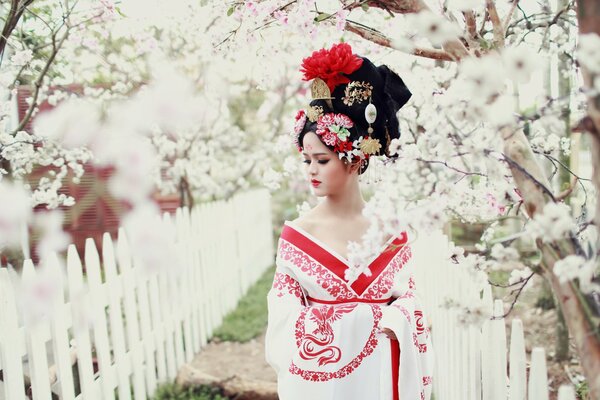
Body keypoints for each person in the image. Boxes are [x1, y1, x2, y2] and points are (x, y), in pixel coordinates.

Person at [265, 43, 434, 400]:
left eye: (322, 160)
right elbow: (283, 314)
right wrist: (365, 318)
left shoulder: (391, 232)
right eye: (306, 160)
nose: (311, 170)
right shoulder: (298, 235)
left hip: (379, 378)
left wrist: (401, 316)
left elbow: (411, 298)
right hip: (322, 386)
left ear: (355, 160)